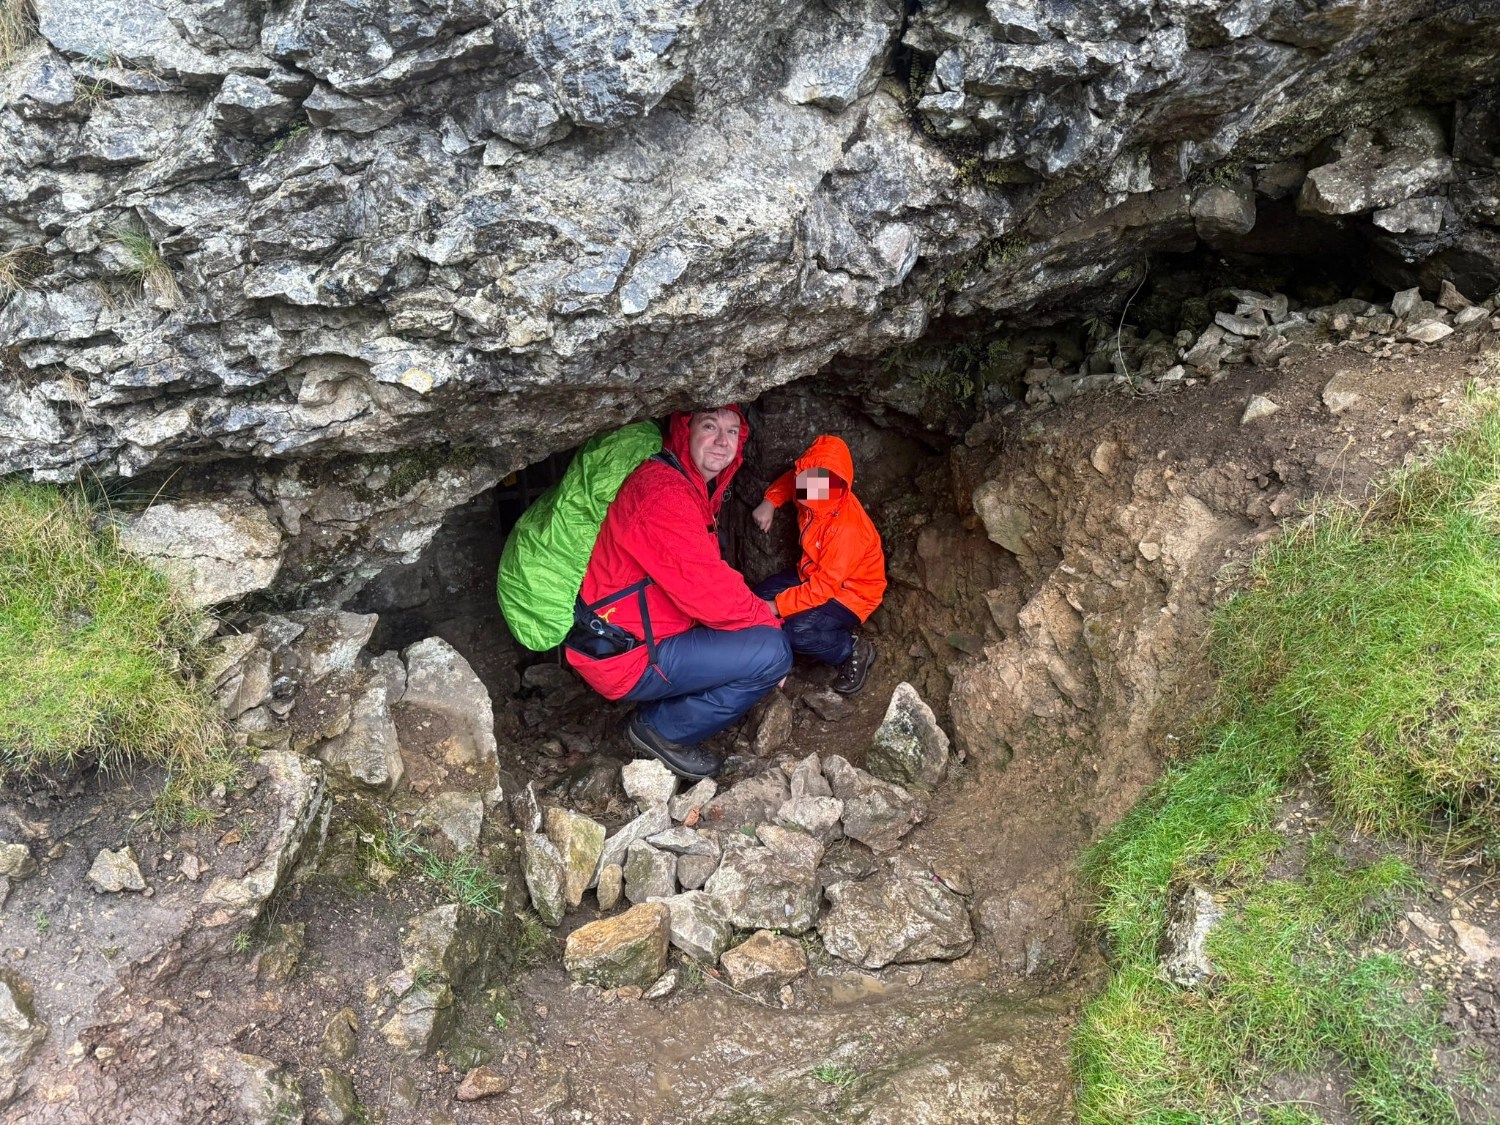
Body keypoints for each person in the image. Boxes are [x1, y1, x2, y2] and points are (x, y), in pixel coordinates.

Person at [566, 406, 792, 780]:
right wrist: (770, 623)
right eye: (709, 427)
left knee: (752, 630)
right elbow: (707, 591)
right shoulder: (662, 492)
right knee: (772, 652)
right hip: (626, 655)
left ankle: (671, 702)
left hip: (623, 635)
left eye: (732, 431)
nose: (722, 441)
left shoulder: (680, 482)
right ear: (685, 432)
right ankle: (662, 730)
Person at [751, 434, 885, 694]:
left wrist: (778, 606)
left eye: (821, 482)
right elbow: (790, 481)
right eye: (807, 477)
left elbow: (824, 589)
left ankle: (850, 649)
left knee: (796, 630)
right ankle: (771, 651)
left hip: (851, 593)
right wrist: (770, 501)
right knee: (757, 597)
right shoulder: (810, 486)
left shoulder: (846, 529)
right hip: (812, 574)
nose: (807, 489)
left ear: (839, 483)